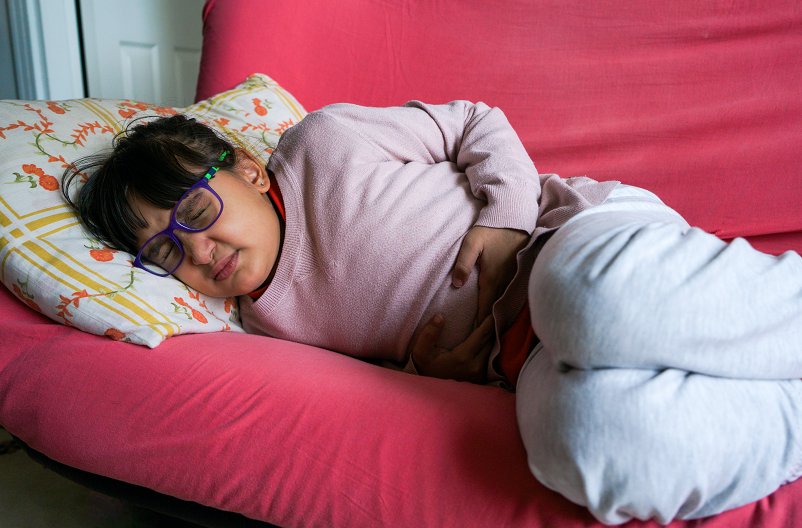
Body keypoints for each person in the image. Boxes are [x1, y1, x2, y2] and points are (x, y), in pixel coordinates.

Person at [63, 101, 802, 525]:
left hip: (566, 243)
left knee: (582, 302)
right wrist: (428, 370)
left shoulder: (323, 144)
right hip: (521, 361)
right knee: (578, 446)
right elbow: (376, 376)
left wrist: (507, 217)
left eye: (196, 212)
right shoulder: (262, 325)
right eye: (165, 252)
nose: (197, 252)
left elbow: (475, 121)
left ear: (247, 172)